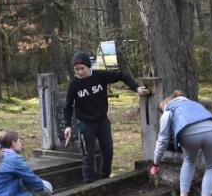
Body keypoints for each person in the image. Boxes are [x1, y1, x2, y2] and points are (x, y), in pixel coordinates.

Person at [63, 51, 150, 184]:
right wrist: (68, 125)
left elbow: (121, 74)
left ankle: (104, 179)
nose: (80, 72)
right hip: (85, 123)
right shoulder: (74, 84)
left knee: (108, 152)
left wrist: (136, 88)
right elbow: (67, 107)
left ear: (88, 67)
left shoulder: (99, 76)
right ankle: (89, 184)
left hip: (102, 120)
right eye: (76, 69)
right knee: (88, 155)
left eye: (82, 69)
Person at [151, 90, 212, 196]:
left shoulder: (168, 110)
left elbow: (162, 141)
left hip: (189, 132)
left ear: (165, 105)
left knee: (189, 160)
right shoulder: (195, 104)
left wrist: (155, 164)